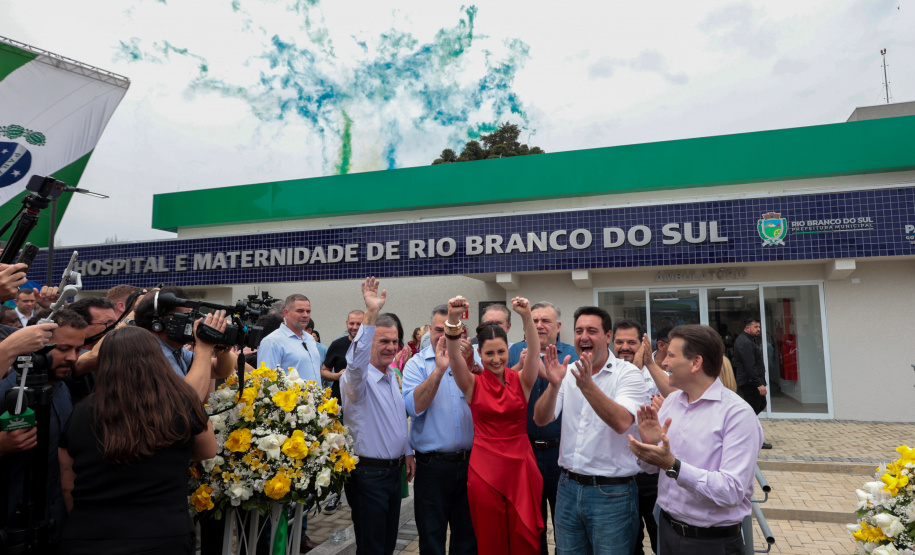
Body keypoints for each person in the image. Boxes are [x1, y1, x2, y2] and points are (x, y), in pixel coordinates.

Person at [58, 326, 217, 554]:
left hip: (90, 536)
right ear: (157, 359)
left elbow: (67, 482)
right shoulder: (182, 404)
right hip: (164, 535)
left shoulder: (82, 412)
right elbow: (208, 450)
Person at [628, 325, 764, 555]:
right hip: (668, 531)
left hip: (710, 543)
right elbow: (654, 468)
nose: (664, 363)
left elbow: (732, 490)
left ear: (695, 363)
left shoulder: (737, 414)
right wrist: (650, 446)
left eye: (671, 355)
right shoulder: (672, 403)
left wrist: (674, 466)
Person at [532, 307, 646, 555]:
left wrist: (587, 385)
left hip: (612, 494)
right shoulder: (568, 372)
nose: (584, 336)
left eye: (592, 331)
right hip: (568, 488)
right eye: (579, 331)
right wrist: (553, 384)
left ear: (607, 336)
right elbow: (541, 419)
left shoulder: (628, 374)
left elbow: (621, 422)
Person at [445, 294, 543, 555]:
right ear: (480, 353)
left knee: (524, 542)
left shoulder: (522, 380)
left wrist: (526, 316)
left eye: (501, 351)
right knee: (490, 541)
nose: (497, 359)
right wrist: (453, 318)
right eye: (489, 353)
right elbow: (454, 357)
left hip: (521, 468)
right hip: (484, 471)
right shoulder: (472, 384)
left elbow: (534, 353)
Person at [0, 310, 87, 549]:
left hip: (56, 524)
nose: (72, 358)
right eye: (63, 348)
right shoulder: (6, 390)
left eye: (78, 350)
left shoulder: (63, 389)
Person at [341, 278, 415, 555]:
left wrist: (407, 451)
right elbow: (356, 360)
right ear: (369, 341)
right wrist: (370, 313)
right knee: (371, 547)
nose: (391, 347)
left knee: (386, 544)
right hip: (368, 475)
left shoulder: (392, 375)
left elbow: (397, 419)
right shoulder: (356, 380)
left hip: (392, 473)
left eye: (395, 341)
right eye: (383, 341)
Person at [402, 304, 476, 555]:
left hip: (471, 464)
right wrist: (440, 369)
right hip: (432, 467)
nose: (443, 336)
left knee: (467, 538)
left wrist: (470, 366)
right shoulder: (416, 365)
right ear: (428, 332)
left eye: (451, 330)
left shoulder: (474, 362)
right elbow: (414, 408)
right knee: (432, 538)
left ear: (461, 333)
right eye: (438, 330)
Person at [507, 301, 577, 554]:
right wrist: (518, 369)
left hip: (562, 454)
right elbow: (496, 389)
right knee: (530, 526)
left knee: (566, 526)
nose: (539, 326)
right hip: (524, 454)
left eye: (545, 321)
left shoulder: (573, 353)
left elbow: (579, 387)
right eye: (534, 321)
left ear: (558, 326)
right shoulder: (513, 351)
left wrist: (544, 370)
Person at [132, 287, 235, 402]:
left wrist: (221, 353)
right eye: (187, 316)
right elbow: (187, 401)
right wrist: (204, 348)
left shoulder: (172, 348)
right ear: (158, 321)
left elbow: (218, 371)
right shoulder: (151, 353)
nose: (192, 322)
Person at [610, 319, 659, 555]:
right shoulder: (604, 378)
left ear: (643, 344)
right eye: (619, 342)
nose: (625, 347)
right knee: (628, 543)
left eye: (631, 342)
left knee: (660, 538)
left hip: (652, 474)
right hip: (617, 475)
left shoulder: (660, 378)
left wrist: (641, 367)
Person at [257, 294, 321, 382]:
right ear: (286, 313)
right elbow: (267, 382)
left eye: (308, 311)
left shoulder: (310, 339)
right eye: (300, 311)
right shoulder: (272, 341)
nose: (305, 315)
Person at [732, 317, 771, 449]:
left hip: (751, 382)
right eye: (756, 327)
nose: (758, 329)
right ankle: (749, 437)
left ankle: (746, 435)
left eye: (759, 327)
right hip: (750, 383)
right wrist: (758, 383)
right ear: (747, 328)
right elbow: (750, 366)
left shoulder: (748, 341)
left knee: (759, 405)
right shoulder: (745, 342)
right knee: (751, 410)